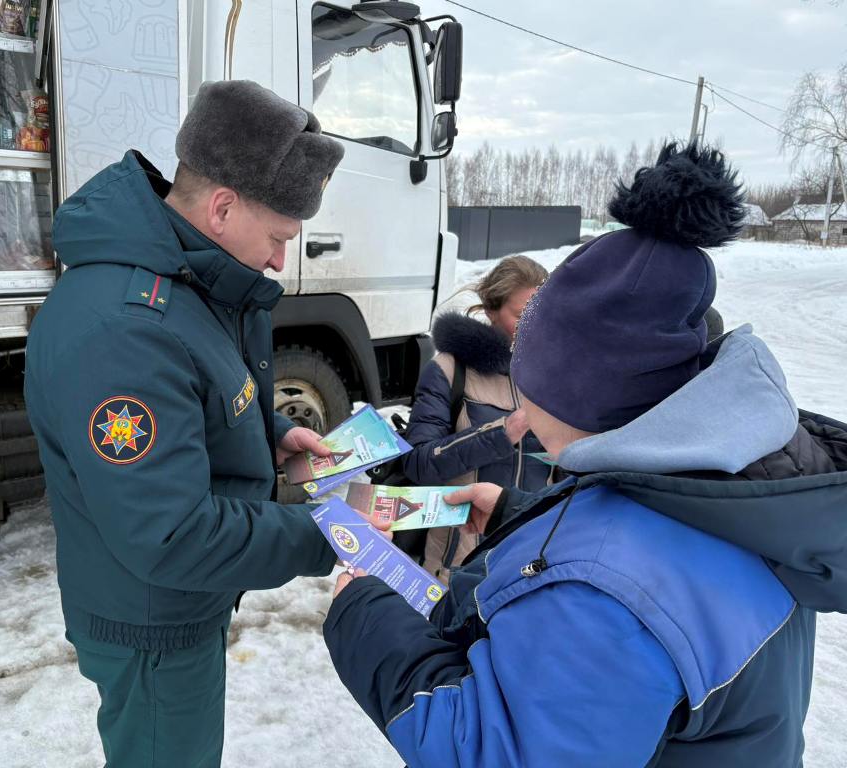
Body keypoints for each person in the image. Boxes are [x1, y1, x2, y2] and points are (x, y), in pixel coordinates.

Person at [323, 143, 847, 766]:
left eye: (530, 374)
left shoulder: (604, 595)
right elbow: (647, 547)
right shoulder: (736, 487)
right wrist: (520, 514)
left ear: (576, 392)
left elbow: (493, 750)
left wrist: (362, 610)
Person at [24, 80, 345, 768]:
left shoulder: (187, 284)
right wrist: (331, 533)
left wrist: (270, 437)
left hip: (173, 609)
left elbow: (196, 397)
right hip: (153, 627)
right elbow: (170, 534)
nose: (279, 260)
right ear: (223, 208)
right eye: (278, 237)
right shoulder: (127, 327)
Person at [401, 255, 554, 582]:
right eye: (521, 315)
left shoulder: (555, 375)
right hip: (459, 563)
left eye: (543, 313)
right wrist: (502, 433)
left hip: (531, 560)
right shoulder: (450, 369)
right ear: (491, 311)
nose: (534, 325)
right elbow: (418, 462)